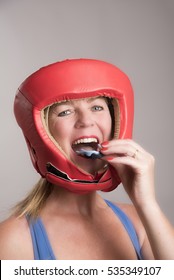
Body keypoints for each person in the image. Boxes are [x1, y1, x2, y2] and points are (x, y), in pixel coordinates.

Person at [0, 58, 173, 260]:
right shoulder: (14, 239)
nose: (86, 120)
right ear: (43, 133)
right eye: (65, 111)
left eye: (97, 107)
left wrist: (147, 203)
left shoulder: (139, 222)